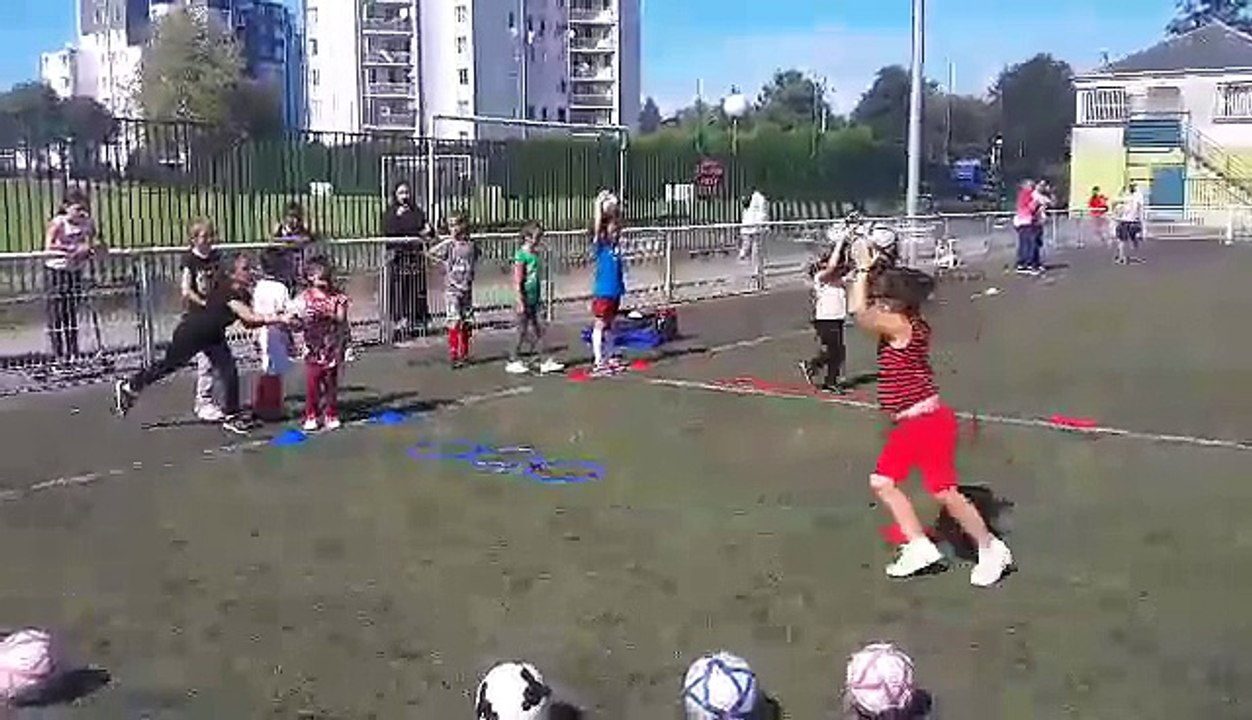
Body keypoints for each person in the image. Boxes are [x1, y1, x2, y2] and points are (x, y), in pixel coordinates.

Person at [847, 247, 1012, 587]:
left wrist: (862, 270)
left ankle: (991, 548)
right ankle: (920, 547)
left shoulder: (897, 325)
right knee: (883, 482)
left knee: (944, 492)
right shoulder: (909, 322)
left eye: (882, 297)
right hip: (912, 424)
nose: (877, 300)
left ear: (895, 303)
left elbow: (858, 313)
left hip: (926, 424)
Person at [115, 253, 283, 436]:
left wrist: (275, 318)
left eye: (250, 268)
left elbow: (248, 323)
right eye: (244, 269)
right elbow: (250, 317)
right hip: (192, 332)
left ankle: (232, 416)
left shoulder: (242, 292)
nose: (250, 272)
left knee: (229, 371)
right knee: (169, 366)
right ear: (231, 273)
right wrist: (279, 318)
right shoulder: (227, 290)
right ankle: (131, 385)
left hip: (213, 335)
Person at [290, 256, 350, 431]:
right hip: (313, 349)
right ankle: (312, 415)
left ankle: (331, 414)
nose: (324, 282)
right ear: (310, 278)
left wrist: (325, 313)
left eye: (326, 277)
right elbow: (297, 323)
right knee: (312, 384)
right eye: (319, 278)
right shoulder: (304, 298)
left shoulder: (338, 297)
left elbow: (341, 318)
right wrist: (299, 320)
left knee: (331, 384)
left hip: (331, 348)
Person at [43, 189, 101, 361]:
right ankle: (58, 355)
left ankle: (73, 353)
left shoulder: (87, 223)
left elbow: (97, 242)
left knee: (71, 313)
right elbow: (49, 246)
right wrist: (73, 250)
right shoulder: (58, 223)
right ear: (66, 207)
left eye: (84, 208)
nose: (81, 212)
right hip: (56, 271)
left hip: (74, 271)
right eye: (77, 208)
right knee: (57, 315)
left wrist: (91, 248)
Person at [179, 220, 226, 421]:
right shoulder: (190, 260)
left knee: (216, 360)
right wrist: (204, 303)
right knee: (205, 362)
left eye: (210, 236)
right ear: (194, 239)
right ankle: (203, 402)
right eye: (203, 237)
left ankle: (210, 399)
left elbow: (222, 280)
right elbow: (186, 290)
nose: (208, 241)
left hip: (214, 316)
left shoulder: (216, 257)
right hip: (198, 315)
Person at [506, 222, 564, 375]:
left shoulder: (535, 255)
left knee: (541, 328)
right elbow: (518, 279)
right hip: (524, 298)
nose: (539, 240)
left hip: (535, 297)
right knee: (521, 331)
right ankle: (513, 359)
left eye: (540, 237)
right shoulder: (521, 256)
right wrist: (519, 300)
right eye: (537, 237)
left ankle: (542, 359)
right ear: (527, 238)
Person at [427, 213, 479, 368]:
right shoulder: (449, 244)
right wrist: (443, 264)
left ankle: (464, 353)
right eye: (450, 225)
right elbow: (431, 253)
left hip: (466, 288)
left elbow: (475, 258)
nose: (453, 229)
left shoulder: (471, 245)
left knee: (467, 321)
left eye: (456, 224)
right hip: (452, 289)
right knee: (454, 320)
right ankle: (454, 354)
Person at [381, 182, 431, 339]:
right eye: (401, 193)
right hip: (399, 259)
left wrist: (424, 231)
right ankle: (398, 324)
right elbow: (390, 232)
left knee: (415, 291)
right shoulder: (391, 213)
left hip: (415, 258)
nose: (404, 196)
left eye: (407, 192)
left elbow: (427, 229)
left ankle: (414, 323)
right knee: (399, 291)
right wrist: (413, 229)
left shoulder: (417, 211)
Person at [251, 247, 296, 422]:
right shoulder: (281, 288)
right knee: (275, 371)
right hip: (276, 332)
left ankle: (260, 404)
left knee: (266, 367)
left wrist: (255, 334)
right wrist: (290, 336)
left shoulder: (259, 287)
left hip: (262, 329)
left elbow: (255, 311)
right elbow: (286, 312)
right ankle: (274, 407)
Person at [798, 243, 849, 391]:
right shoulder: (821, 278)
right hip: (825, 320)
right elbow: (832, 268)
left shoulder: (838, 281)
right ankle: (825, 376)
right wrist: (839, 244)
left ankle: (821, 373)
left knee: (837, 352)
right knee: (836, 351)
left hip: (837, 319)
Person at [590, 210, 625, 376]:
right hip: (603, 292)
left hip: (615, 292)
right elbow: (597, 228)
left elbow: (619, 221)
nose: (616, 233)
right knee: (600, 323)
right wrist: (599, 205)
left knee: (610, 325)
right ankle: (598, 361)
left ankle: (610, 356)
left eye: (617, 231)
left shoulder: (615, 249)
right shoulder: (601, 247)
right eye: (613, 231)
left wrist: (615, 208)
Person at [273, 201, 317, 286]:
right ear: (285, 217)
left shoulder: (303, 231)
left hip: (299, 271)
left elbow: (309, 239)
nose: (295, 221)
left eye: (297, 217)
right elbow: (273, 244)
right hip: (283, 271)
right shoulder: (279, 230)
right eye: (291, 216)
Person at [1012, 180, 1045, 276]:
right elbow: (1029, 208)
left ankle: (1031, 263)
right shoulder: (1026, 195)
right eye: (1031, 186)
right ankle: (1027, 264)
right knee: (1030, 243)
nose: (1033, 187)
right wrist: (1036, 203)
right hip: (1026, 221)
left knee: (1031, 243)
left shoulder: (1028, 194)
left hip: (1029, 222)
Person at [1114, 182, 1145, 264]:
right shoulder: (1137, 198)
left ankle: (1122, 257)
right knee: (1133, 238)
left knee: (1122, 241)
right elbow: (1140, 211)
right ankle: (1130, 254)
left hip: (1124, 221)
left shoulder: (1126, 198)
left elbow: (1116, 203)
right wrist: (1142, 224)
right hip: (1132, 221)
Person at [738, 190, 768, 261]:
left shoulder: (759, 199)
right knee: (748, 243)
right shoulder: (756, 200)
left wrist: (761, 223)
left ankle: (757, 264)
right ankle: (746, 254)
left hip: (755, 226)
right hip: (749, 226)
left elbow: (762, 213)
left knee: (756, 246)